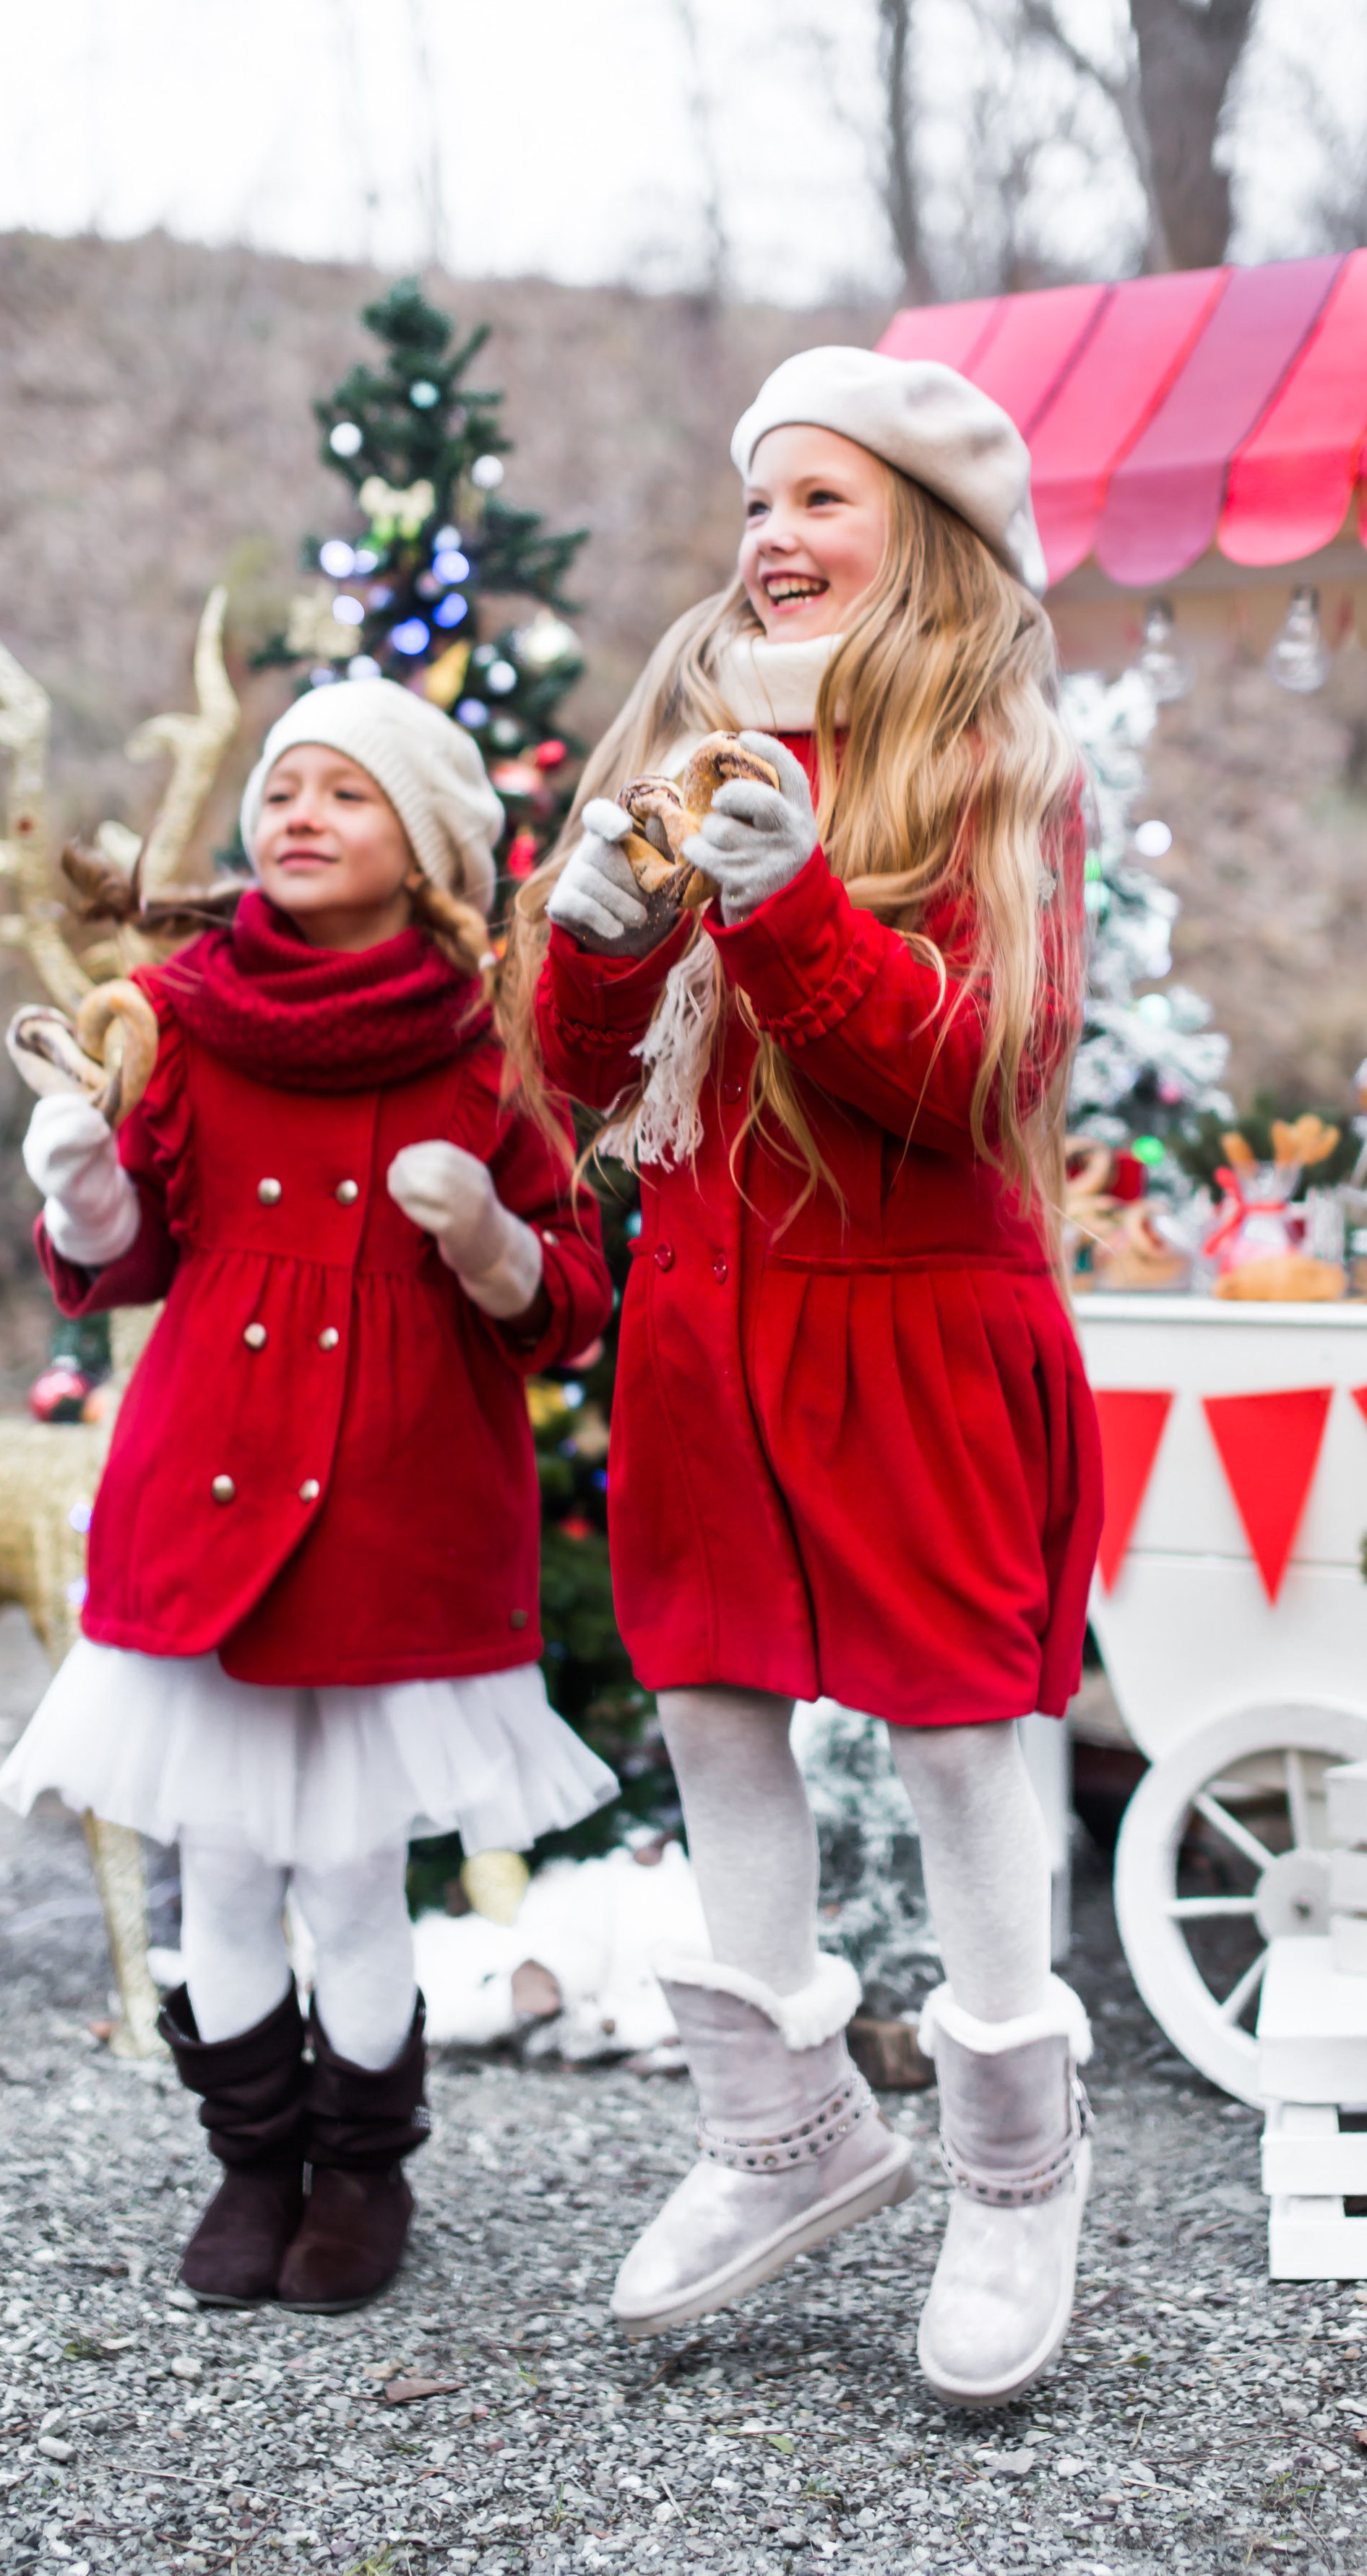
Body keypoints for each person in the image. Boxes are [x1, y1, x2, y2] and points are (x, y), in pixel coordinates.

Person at [501, 347, 1103, 2405]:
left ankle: (1017, 2179)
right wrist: (588, 940)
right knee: (711, 1711)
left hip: (918, 1310)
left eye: (823, 501)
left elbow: (979, 1081)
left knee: (953, 1744)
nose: (773, 540)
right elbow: (568, 1093)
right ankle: (784, 2135)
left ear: (924, 540)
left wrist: (786, 907)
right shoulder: (676, 736)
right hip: (707, 1316)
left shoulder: (1005, 762)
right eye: (758, 506)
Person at [0, 679, 616, 2312]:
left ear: (419, 847)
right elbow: (125, 1264)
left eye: (346, 793)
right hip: (208, 1485)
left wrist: (485, 1238)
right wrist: (84, 1184)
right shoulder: (180, 1019)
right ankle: (248, 2169)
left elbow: (571, 1299)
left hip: (392, 1504)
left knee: (346, 1868)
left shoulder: (490, 1041)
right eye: (283, 790)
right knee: (224, 1865)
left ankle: (360, 2177)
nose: (297, 816)